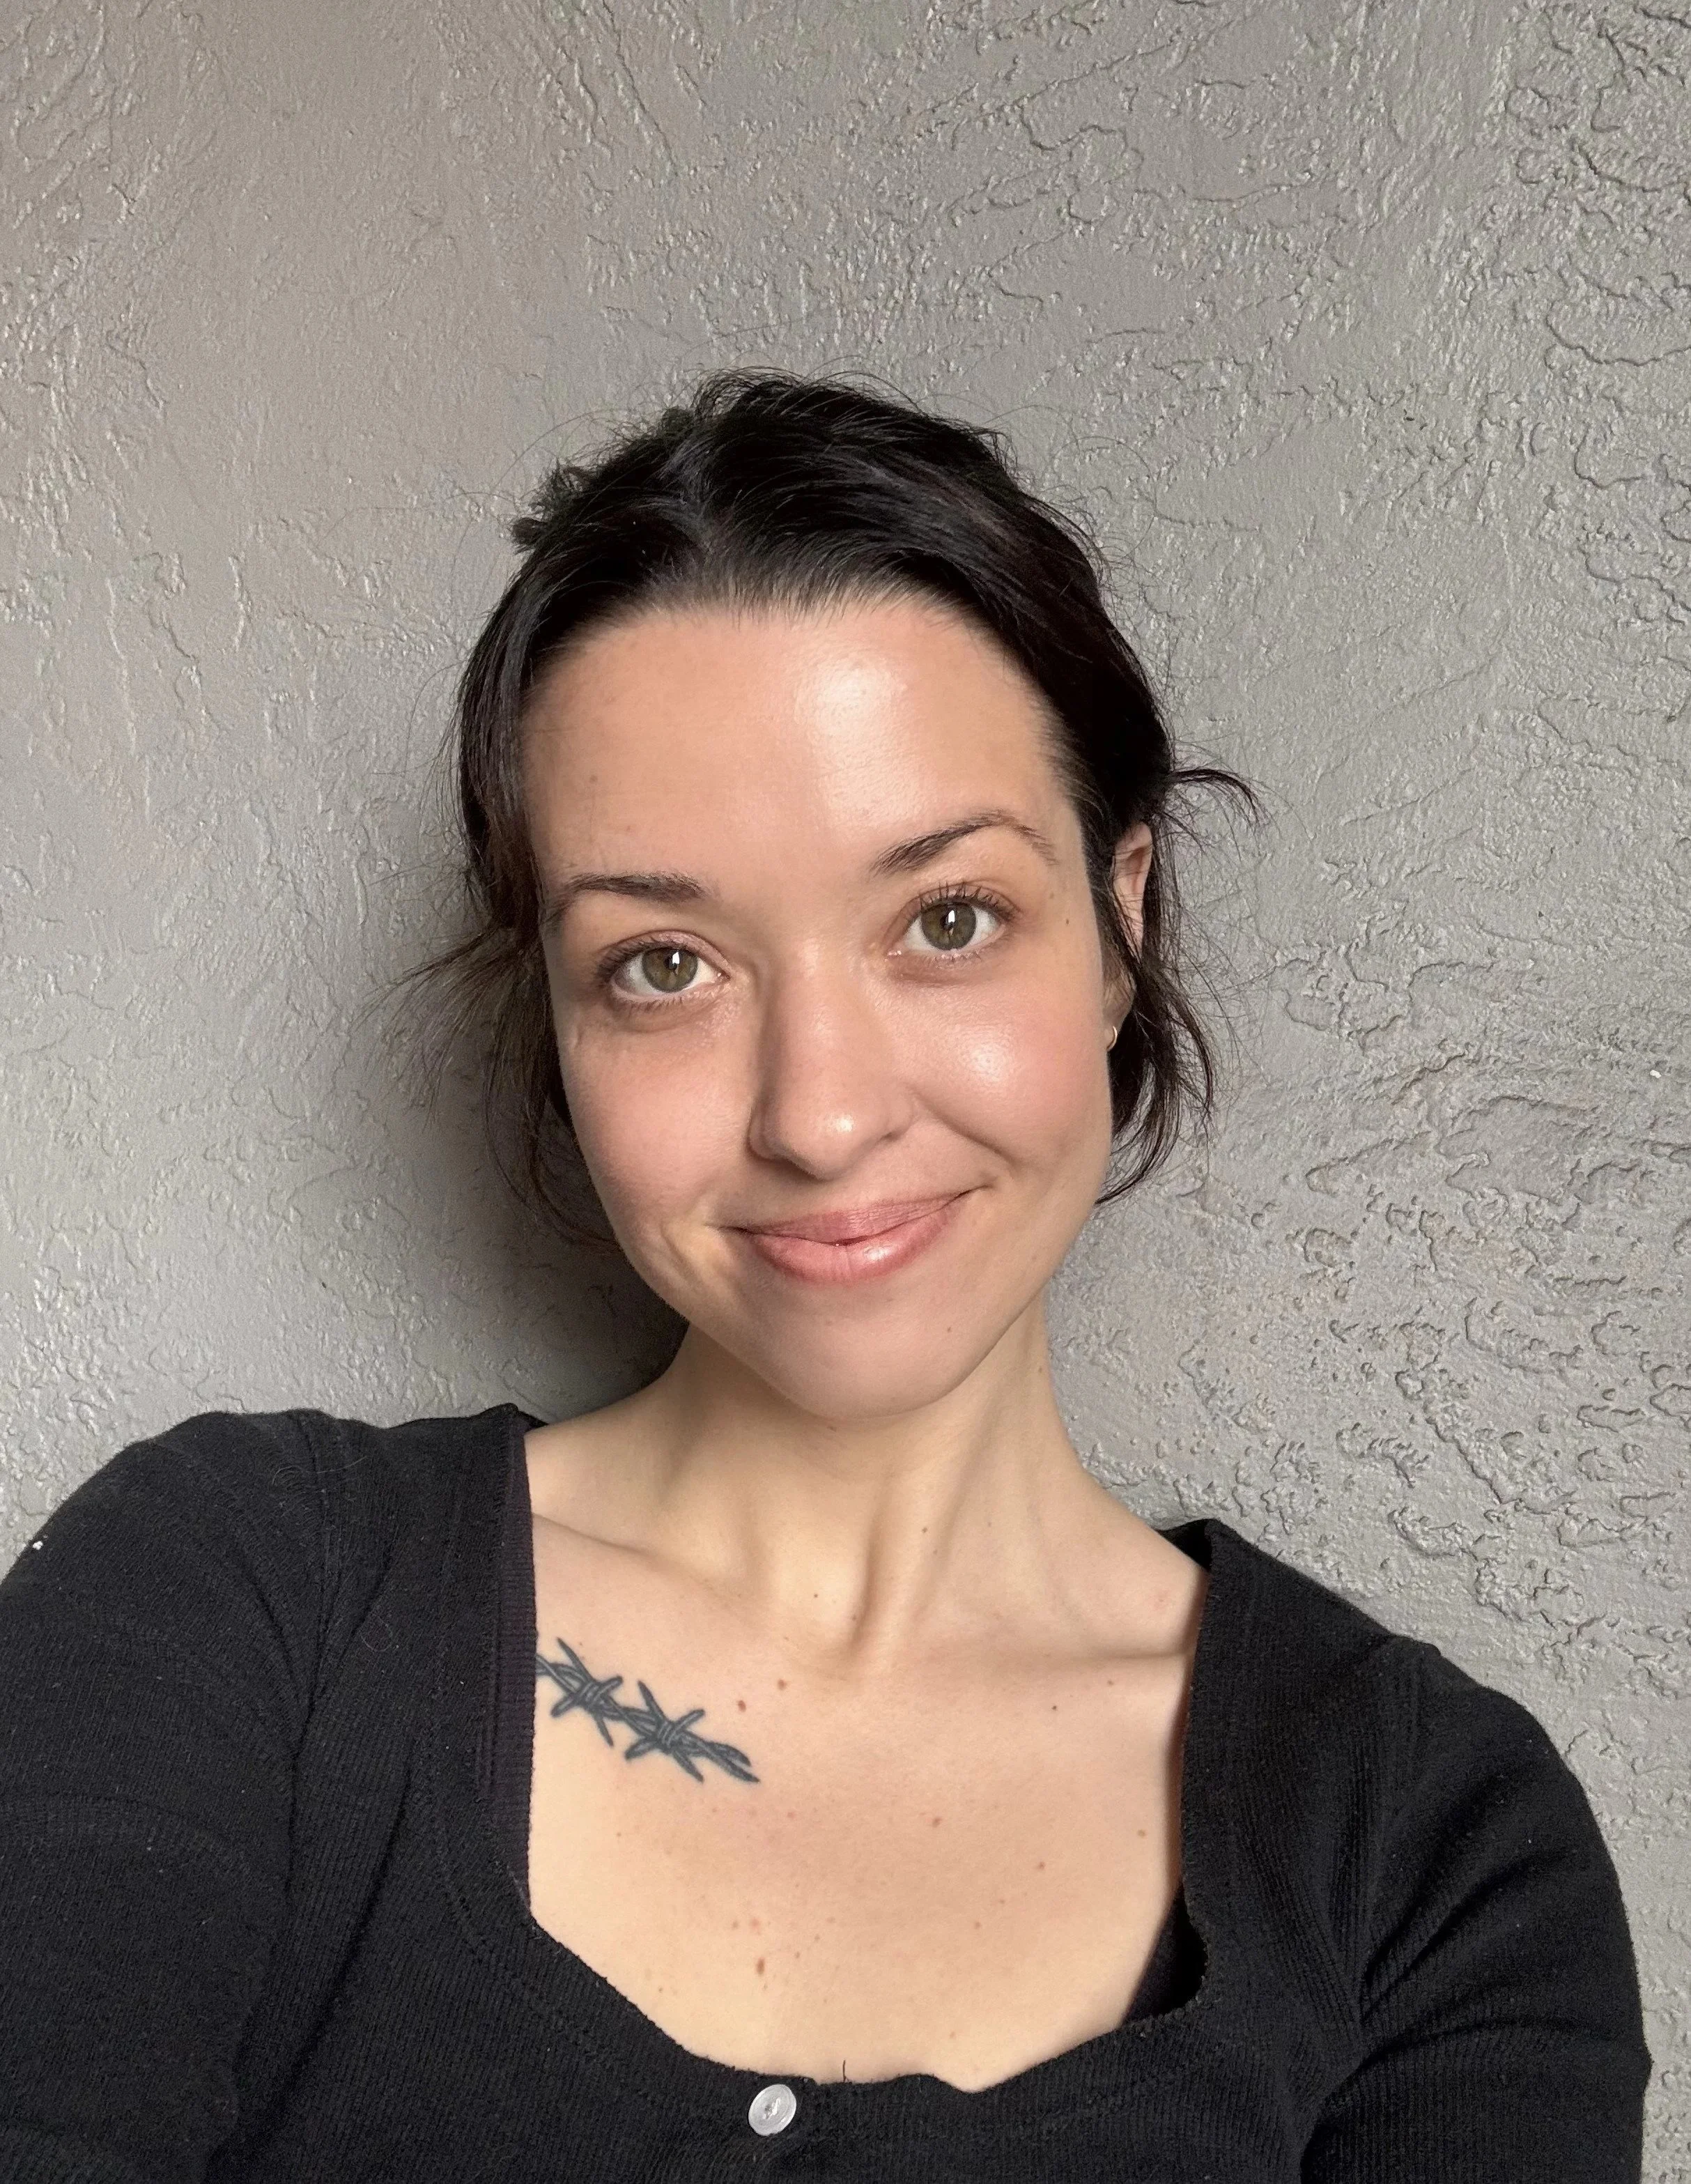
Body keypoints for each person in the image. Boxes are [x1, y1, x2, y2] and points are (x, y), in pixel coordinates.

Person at [0, 372, 1649, 2182]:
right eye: (664, 963)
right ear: (552, 1015)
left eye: (947, 920)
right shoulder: (238, 1605)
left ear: (1122, 926)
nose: (823, 1111)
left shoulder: (1430, 1850)